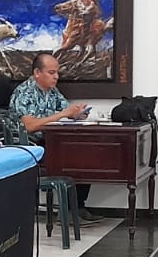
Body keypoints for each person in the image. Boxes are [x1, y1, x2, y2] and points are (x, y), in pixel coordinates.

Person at [9, 52, 100, 225]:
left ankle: (78, 207)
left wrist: (77, 114)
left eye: (57, 72)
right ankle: (69, 211)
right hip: (30, 146)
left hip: (50, 141)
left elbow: (65, 111)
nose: (56, 77)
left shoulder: (52, 92)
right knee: (73, 158)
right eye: (51, 73)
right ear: (37, 73)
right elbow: (29, 126)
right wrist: (63, 114)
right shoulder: (24, 93)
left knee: (84, 152)